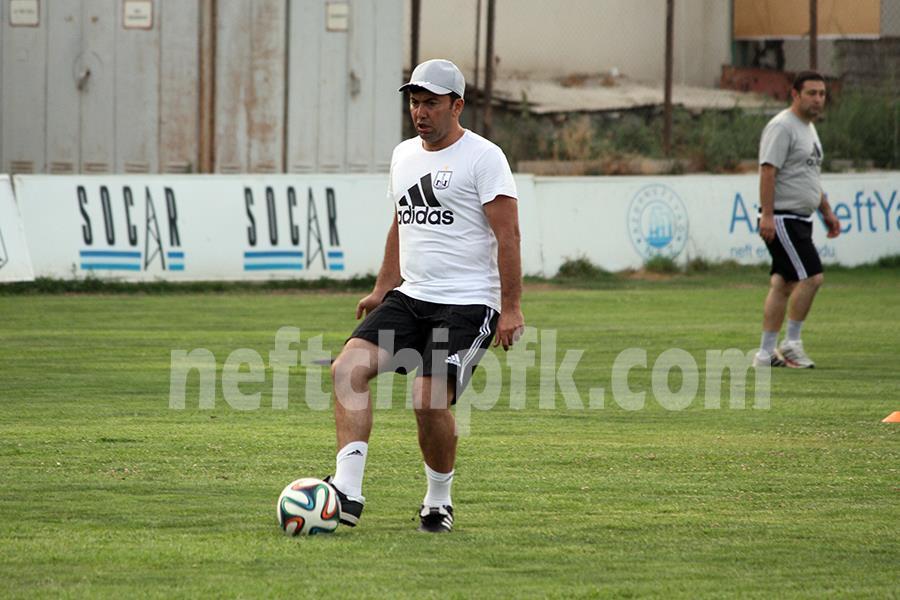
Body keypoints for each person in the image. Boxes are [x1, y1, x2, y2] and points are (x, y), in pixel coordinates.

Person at [325, 59, 524, 533]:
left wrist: (511, 308)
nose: (420, 112)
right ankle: (347, 492)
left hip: (468, 303)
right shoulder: (403, 156)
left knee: (428, 398)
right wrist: (383, 287)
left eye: (431, 103)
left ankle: (438, 501)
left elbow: (509, 235)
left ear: (457, 105)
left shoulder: (484, 158)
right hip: (411, 297)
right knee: (347, 369)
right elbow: (402, 221)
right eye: (415, 102)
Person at [752, 71, 840, 369]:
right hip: (783, 217)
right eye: (811, 93)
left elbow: (809, 176)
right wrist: (767, 214)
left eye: (822, 93)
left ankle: (765, 354)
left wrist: (826, 211)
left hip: (799, 218)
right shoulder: (782, 126)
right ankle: (791, 344)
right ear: (795, 94)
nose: (818, 99)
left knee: (783, 283)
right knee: (812, 277)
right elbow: (768, 170)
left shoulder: (809, 129)